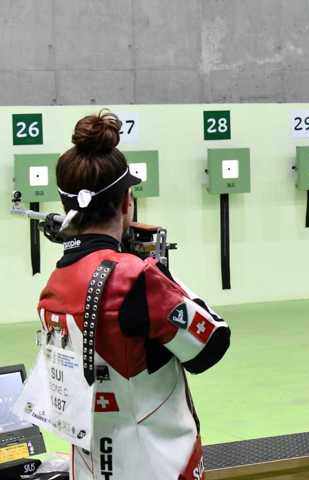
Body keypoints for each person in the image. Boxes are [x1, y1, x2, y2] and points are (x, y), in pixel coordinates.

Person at [36, 111, 230, 479]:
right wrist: (158, 269)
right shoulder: (135, 278)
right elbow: (212, 344)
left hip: (92, 466)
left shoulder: (56, 281)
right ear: (127, 202)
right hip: (159, 465)